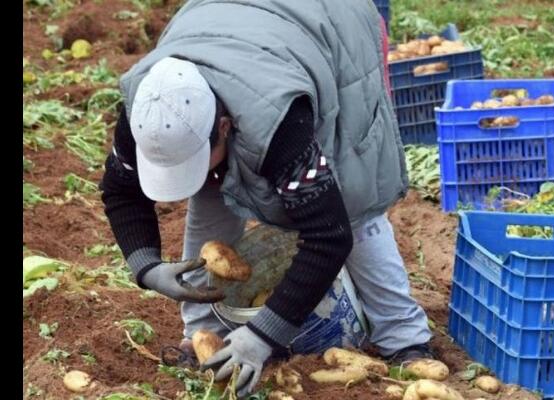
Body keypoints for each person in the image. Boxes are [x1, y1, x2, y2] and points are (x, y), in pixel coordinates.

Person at [99, 0, 433, 395]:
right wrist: (147, 266)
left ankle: (404, 336)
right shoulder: (148, 109)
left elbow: (329, 235)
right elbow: (120, 190)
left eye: (196, 160)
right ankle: (202, 333)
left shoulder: (281, 120)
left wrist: (263, 335)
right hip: (235, 27)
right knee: (212, 191)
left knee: (354, 202)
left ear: (224, 127)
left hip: (330, 23)